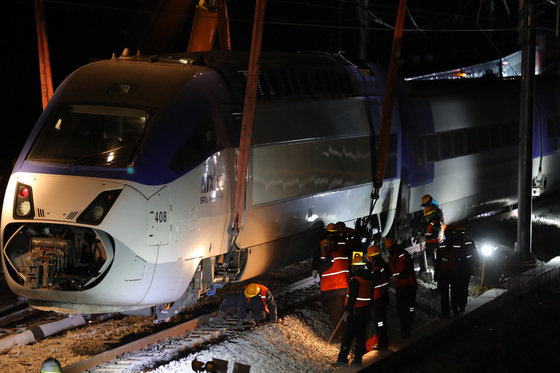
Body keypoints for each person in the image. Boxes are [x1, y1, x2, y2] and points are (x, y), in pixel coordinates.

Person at [336, 254, 373, 367]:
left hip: (355, 312)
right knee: (360, 337)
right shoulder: (369, 278)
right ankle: (357, 360)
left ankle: (342, 359)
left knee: (347, 336)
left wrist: (347, 311)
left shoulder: (355, 281)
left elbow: (352, 298)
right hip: (365, 311)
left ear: (354, 267)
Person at [312, 223, 350, 329]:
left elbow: (322, 266)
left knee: (336, 313)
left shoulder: (330, 256)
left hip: (333, 287)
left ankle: (340, 334)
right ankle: (340, 333)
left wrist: (316, 268)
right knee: (337, 312)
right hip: (339, 286)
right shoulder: (340, 252)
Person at [385, 237, 417, 338]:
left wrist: (397, 277)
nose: (390, 250)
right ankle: (405, 329)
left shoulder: (405, 255)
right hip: (400, 286)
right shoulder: (392, 258)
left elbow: (408, 270)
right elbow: (390, 270)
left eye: (390, 248)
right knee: (401, 309)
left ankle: (408, 327)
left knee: (409, 307)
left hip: (409, 285)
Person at [449, 223, 479, 314]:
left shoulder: (452, 242)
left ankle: (455, 308)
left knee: (455, 289)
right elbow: (475, 256)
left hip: (455, 269)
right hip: (466, 269)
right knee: (463, 288)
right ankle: (462, 306)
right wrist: (476, 267)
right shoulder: (470, 241)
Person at [365, 245, 391, 350]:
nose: (368, 258)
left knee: (379, 322)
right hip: (383, 297)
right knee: (381, 321)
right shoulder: (382, 265)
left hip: (378, 298)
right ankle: (381, 341)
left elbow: (373, 281)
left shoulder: (377, 269)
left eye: (369, 257)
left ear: (373, 256)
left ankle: (382, 343)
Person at [435, 225, 462, 317]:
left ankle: (452, 311)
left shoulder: (458, 245)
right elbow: (438, 261)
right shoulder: (443, 246)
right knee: (448, 293)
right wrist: (437, 273)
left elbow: (438, 262)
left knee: (451, 293)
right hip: (448, 272)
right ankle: (450, 311)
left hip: (451, 272)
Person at [419, 204, 445, 276]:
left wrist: (425, 237)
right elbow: (428, 231)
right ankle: (423, 271)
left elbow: (435, 235)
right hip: (430, 244)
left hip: (435, 245)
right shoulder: (432, 221)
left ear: (432, 214)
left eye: (427, 215)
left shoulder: (436, 223)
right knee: (423, 258)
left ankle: (438, 275)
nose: (426, 217)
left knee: (435, 261)